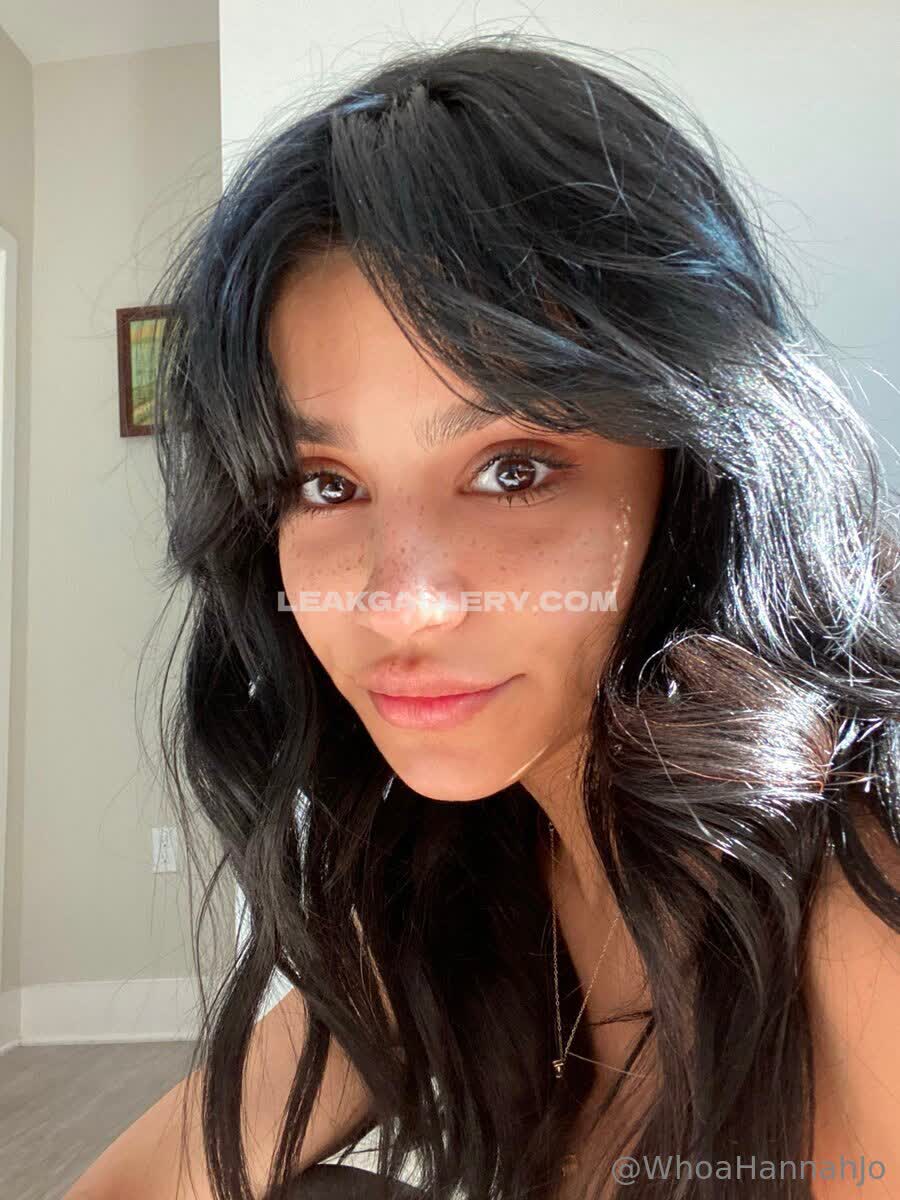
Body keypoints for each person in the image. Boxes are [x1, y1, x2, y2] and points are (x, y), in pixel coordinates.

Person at [63, 31, 900, 1200]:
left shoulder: (858, 882)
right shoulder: (474, 877)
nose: (401, 602)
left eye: (514, 470)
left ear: (692, 471)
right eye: (326, 485)